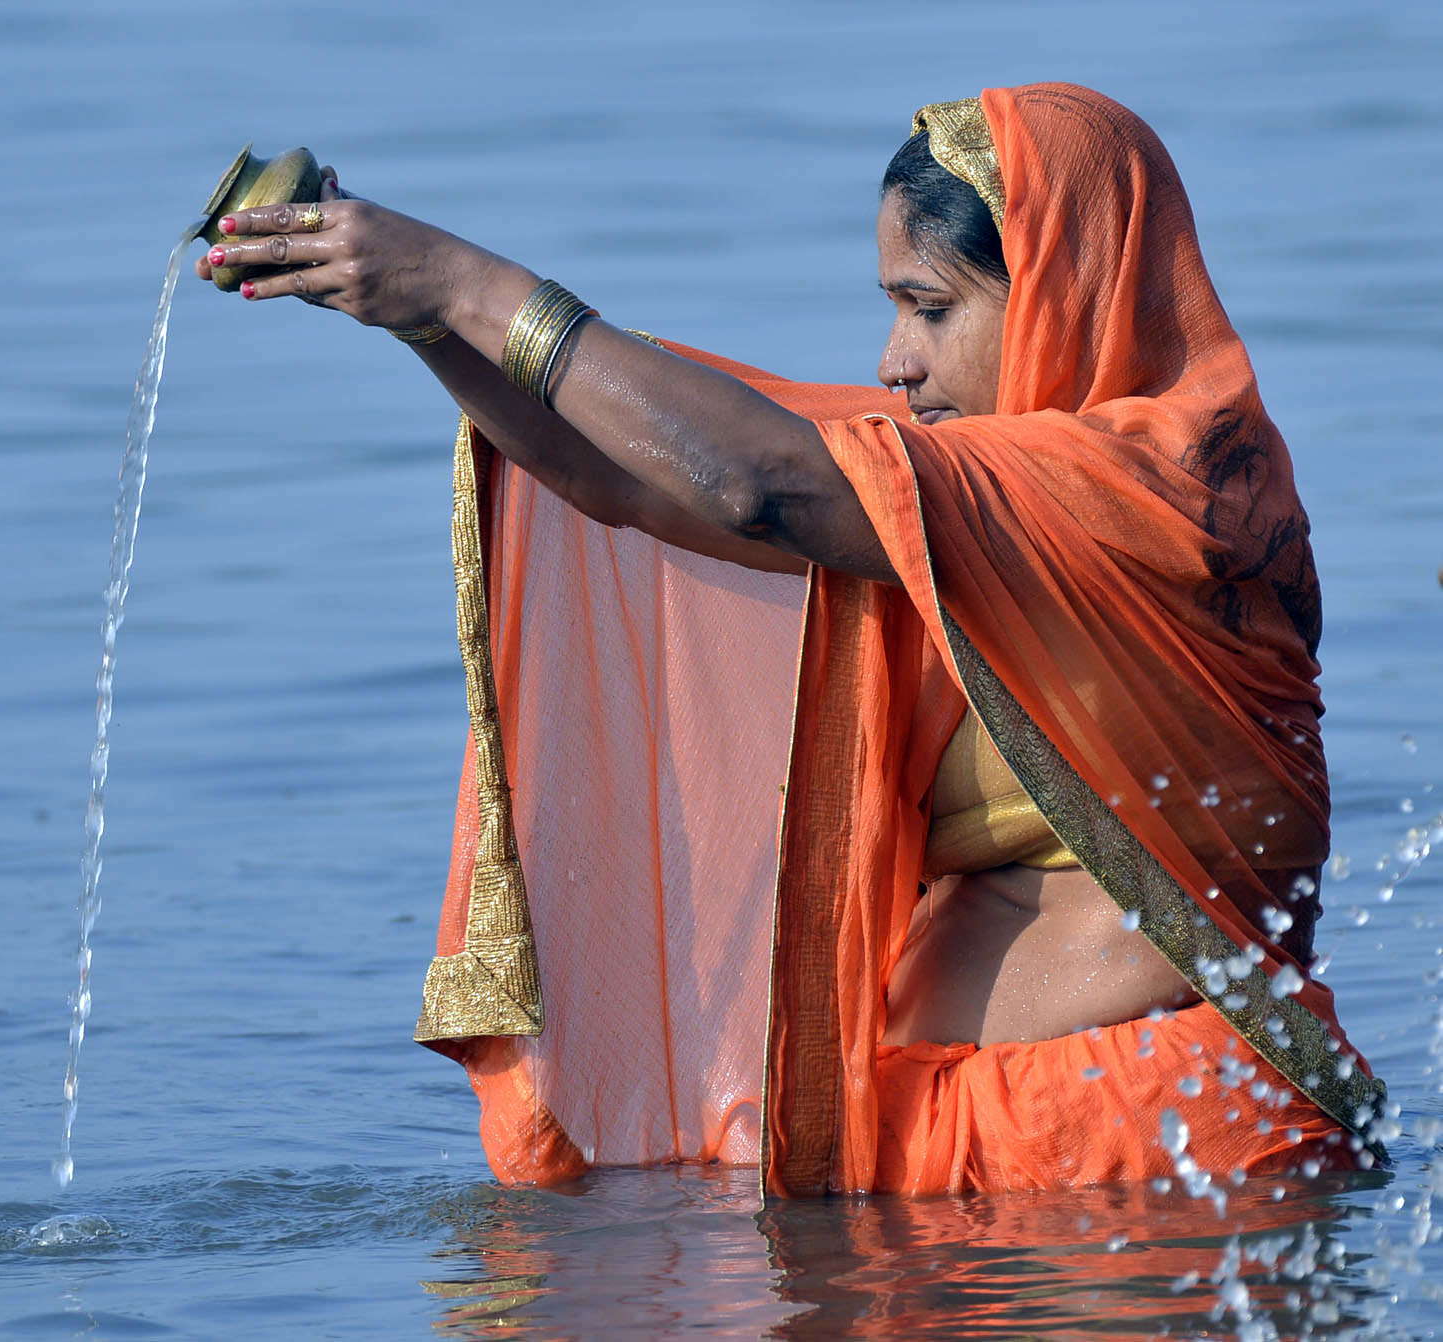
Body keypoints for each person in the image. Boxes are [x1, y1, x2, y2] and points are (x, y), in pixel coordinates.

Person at [198, 83, 1384, 1196]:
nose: (894, 362)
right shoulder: (971, 494)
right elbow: (622, 480)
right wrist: (409, 311)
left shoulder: (1160, 491)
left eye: (931, 307)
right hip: (985, 1152)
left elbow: (757, 480)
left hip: (1136, 1142)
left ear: (1062, 289)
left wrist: (461, 282)